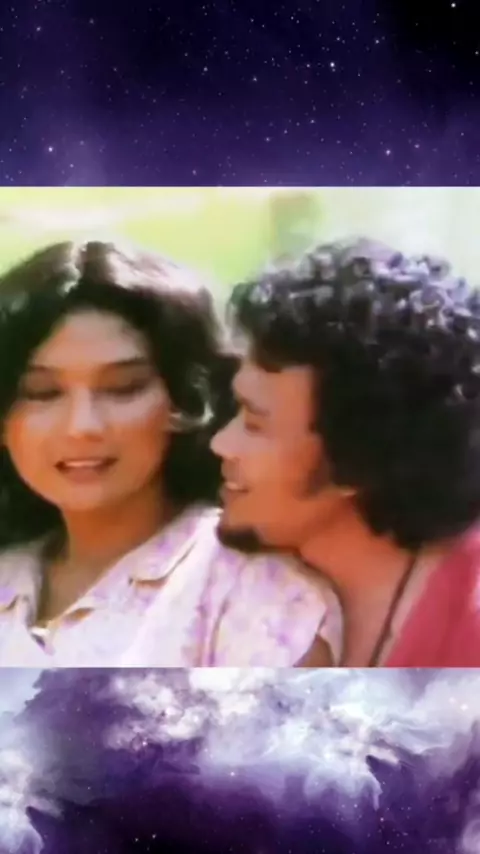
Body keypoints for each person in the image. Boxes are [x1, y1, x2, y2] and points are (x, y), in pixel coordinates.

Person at [0, 239, 342, 667]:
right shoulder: (11, 570)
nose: (82, 426)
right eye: (42, 392)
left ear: (184, 402)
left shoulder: (259, 598)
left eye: (123, 388)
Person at [212, 237, 480, 666]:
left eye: (254, 424)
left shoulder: (467, 618)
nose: (220, 443)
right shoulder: (216, 575)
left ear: (355, 459)